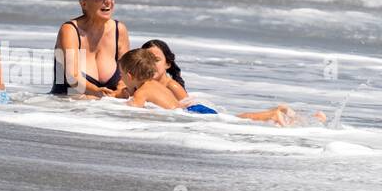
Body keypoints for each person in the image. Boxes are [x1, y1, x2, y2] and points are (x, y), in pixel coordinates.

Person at [134, 39, 324, 123]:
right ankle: (290, 115)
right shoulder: (155, 84)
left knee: (238, 120)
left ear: (168, 64)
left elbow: (182, 107)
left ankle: (275, 114)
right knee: (238, 118)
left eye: (156, 60)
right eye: (147, 60)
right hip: (195, 111)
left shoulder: (172, 84)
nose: (152, 65)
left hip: (196, 111)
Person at [53, 0, 130, 96]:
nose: (108, 1)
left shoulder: (119, 30)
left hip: (108, 112)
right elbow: (72, 78)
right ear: (83, 3)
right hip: (66, 109)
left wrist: (121, 91)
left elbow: (126, 77)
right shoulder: (70, 30)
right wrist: (97, 92)